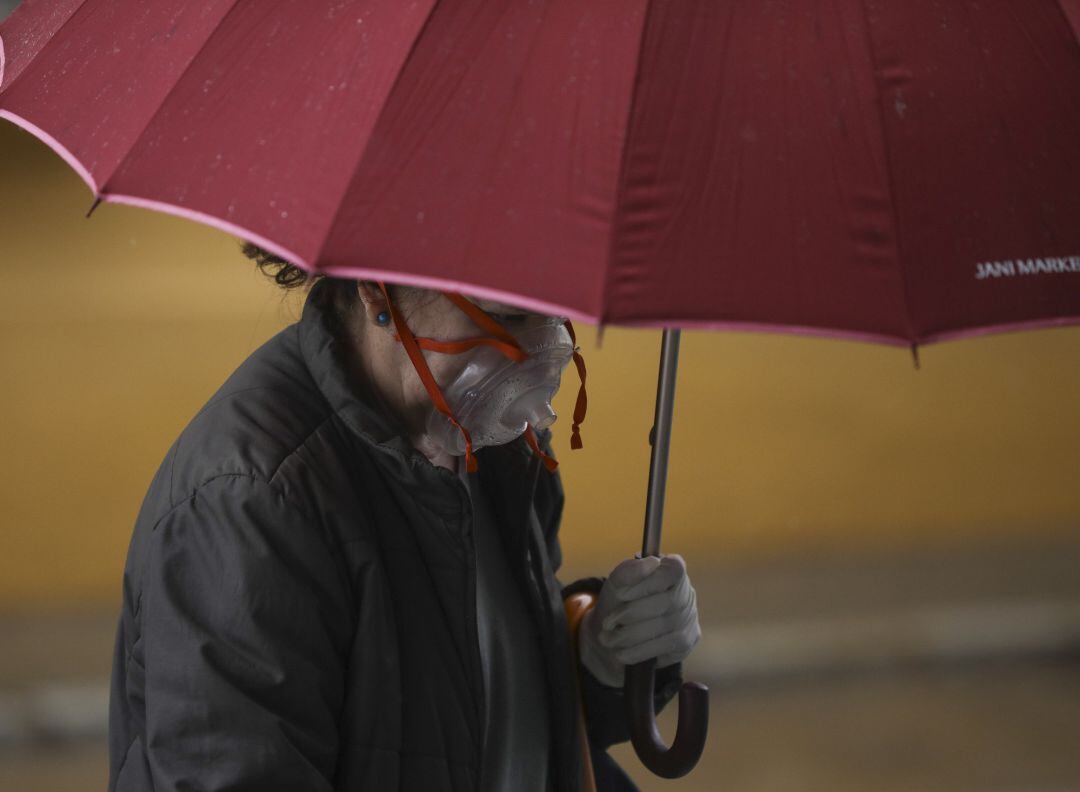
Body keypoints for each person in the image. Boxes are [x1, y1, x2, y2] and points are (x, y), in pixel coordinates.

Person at [107, 243, 702, 792]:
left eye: (556, 312)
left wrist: (598, 660)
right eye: (509, 315)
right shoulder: (252, 508)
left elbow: (463, 720)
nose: (545, 353)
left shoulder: (493, 450)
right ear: (377, 288)